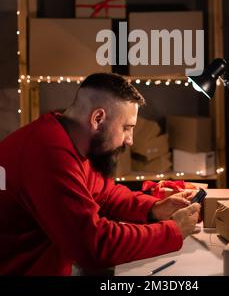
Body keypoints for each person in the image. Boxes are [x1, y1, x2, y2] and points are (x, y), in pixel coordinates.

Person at [0, 73, 200, 275]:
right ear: (98, 118)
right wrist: (173, 231)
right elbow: (94, 245)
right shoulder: (46, 153)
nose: (129, 140)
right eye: (126, 128)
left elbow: (106, 194)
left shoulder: (69, 139)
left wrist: (154, 209)